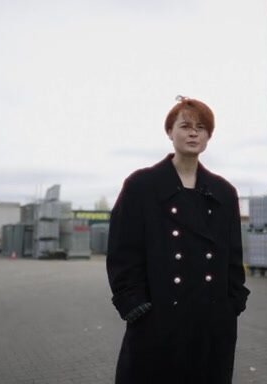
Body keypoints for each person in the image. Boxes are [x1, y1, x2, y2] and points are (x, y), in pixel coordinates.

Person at [106, 96, 251, 384]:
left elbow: (233, 256)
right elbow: (123, 253)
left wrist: (233, 303)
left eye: (201, 127)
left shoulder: (223, 192)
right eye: (185, 126)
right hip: (158, 322)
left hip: (211, 324)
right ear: (169, 132)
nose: (193, 133)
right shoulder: (141, 186)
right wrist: (134, 305)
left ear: (209, 136)